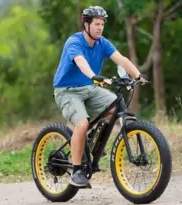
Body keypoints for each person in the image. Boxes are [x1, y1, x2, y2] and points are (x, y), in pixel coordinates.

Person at [52, 5, 149, 188]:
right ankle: (77, 170)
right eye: (96, 24)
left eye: (102, 24)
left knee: (116, 104)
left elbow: (121, 59)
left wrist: (137, 75)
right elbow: (81, 62)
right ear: (86, 24)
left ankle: (91, 141)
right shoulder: (74, 42)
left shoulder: (102, 43)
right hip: (67, 90)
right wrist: (94, 76)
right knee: (82, 123)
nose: (100, 28)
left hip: (89, 87)